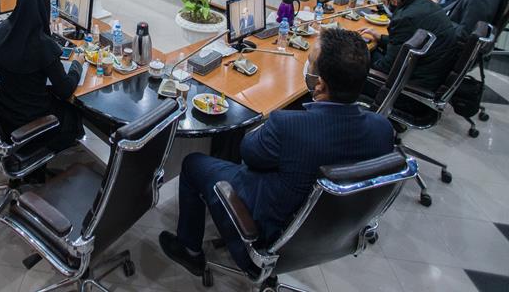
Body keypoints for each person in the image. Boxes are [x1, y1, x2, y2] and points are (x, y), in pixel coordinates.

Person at [158, 28, 394, 277]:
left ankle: (190, 249)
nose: (307, 67)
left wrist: (270, 127)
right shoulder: (382, 129)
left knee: (193, 164)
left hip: (267, 232)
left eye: (310, 62)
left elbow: (248, 152)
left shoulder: (289, 126)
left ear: (320, 84)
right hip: (325, 235)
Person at [0, 0, 84, 152]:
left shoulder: (0, 31)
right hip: (31, 121)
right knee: (73, 112)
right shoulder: (43, 45)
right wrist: (77, 65)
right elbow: (65, 90)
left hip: (3, 115)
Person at [359, 0, 458, 93]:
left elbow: (387, 67)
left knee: (351, 63)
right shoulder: (423, 1)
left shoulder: (405, 18)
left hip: (414, 84)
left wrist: (359, 57)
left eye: (383, 1)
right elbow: (406, 42)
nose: (383, 4)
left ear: (393, 1)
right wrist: (381, 38)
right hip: (433, 72)